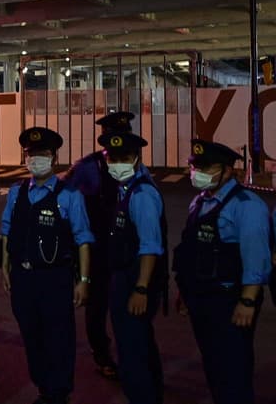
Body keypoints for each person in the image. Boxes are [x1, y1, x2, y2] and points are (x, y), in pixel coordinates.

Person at [173, 139, 270, 404]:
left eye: (206, 167)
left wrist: (247, 300)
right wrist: (185, 291)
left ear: (227, 170)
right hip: (202, 297)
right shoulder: (199, 202)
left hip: (231, 300)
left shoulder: (247, 205)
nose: (198, 173)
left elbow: (256, 258)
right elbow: (191, 250)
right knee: (214, 364)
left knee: (233, 369)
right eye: (195, 167)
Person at [1, 127, 94, 404]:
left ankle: (59, 392)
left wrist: (84, 280)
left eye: (42, 154)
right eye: (30, 154)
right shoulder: (17, 193)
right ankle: (44, 387)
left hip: (55, 279)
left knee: (59, 337)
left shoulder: (69, 195)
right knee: (31, 335)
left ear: (54, 157)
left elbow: (83, 239)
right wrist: (5, 267)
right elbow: (7, 230)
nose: (35, 159)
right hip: (23, 278)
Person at [63, 110, 133, 381]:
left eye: (123, 137)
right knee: (96, 308)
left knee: (128, 306)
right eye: (112, 138)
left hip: (127, 248)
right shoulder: (87, 167)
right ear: (103, 139)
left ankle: (130, 355)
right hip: (97, 249)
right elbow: (64, 194)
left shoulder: (136, 167)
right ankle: (102, 355)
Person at [100, 129, 165, 404]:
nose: (117, 163)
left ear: (136, 159)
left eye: (123, 157)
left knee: (132, 350)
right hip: (125, 277)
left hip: (134, 279)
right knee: (139, 343)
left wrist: (141, 287)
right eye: (112, 158)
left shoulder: (142, 195)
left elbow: (150, 245)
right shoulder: (125, 189)